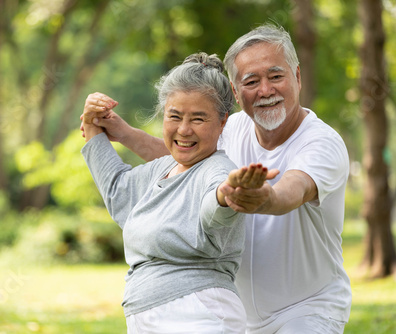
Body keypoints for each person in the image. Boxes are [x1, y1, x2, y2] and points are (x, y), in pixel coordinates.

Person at [82, 24, 351, 333]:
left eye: (276, 76)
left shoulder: (321, 142)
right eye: (251, 81)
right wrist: (123, 132)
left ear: (297, 77)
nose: (265, 90)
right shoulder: (232, 128)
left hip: (306, 310)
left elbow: (294, 189)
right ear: (236, 93)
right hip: (240, 313)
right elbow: (185, 159)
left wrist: (265, 197)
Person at [81, 52, 277, 333]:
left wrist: (227, 195)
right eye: (175, 116)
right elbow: (117, 190)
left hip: (199, 315)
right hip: (149, 318)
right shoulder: (163, 169)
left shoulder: (217, 172)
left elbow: (214, 208)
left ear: (223, 122)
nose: (184, 130)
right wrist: (92, 125)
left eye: (198, 119)